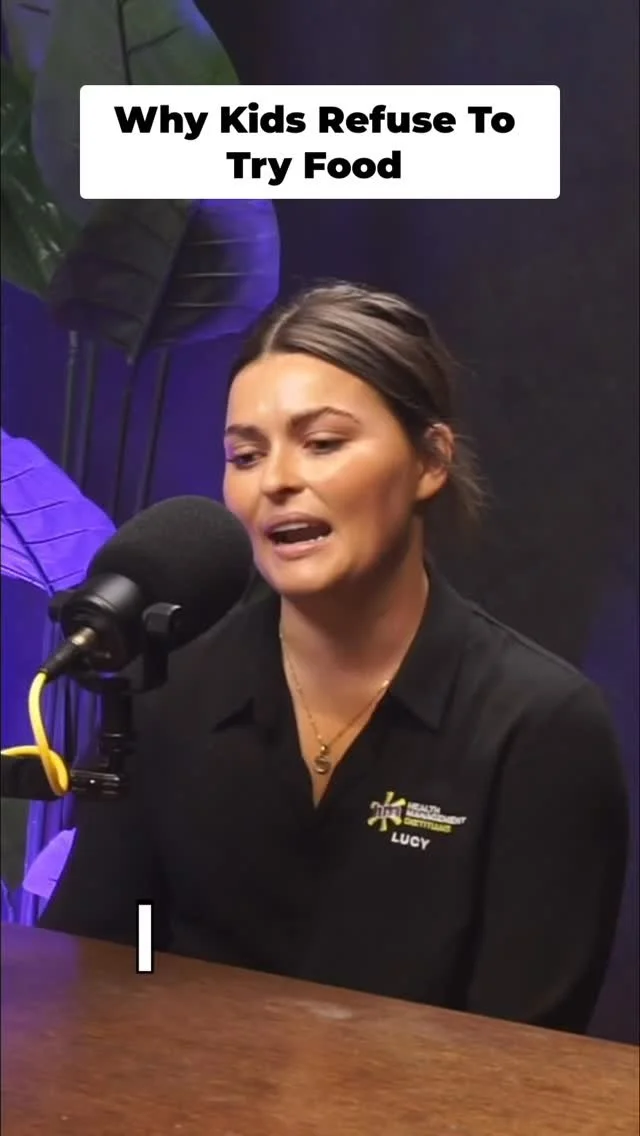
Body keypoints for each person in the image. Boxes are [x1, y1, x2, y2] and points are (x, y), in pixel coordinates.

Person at [40, 281, 628, 1034]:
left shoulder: (538, 728)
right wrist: (153, 994)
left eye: (322, 443)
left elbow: (523, 1050)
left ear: (430, 461)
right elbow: (119, 946)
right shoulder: (167, 695)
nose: (277, 480)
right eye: (245, 455)